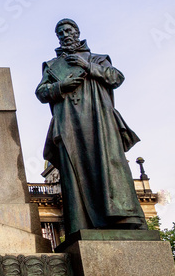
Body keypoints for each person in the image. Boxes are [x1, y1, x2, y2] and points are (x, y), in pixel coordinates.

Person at [35, 19, 147, 236]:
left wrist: (87, 66)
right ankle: (82, 224)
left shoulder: (98, 59)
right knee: (74, 171)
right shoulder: (52, 66)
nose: (65, 35)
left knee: (109, 165)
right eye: (60, 32)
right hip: (69, 123)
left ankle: (122, 217)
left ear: (77, 32)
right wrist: (61, 86)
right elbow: (41, 92)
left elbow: (116, 78)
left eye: (68, 30)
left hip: (99, 121)